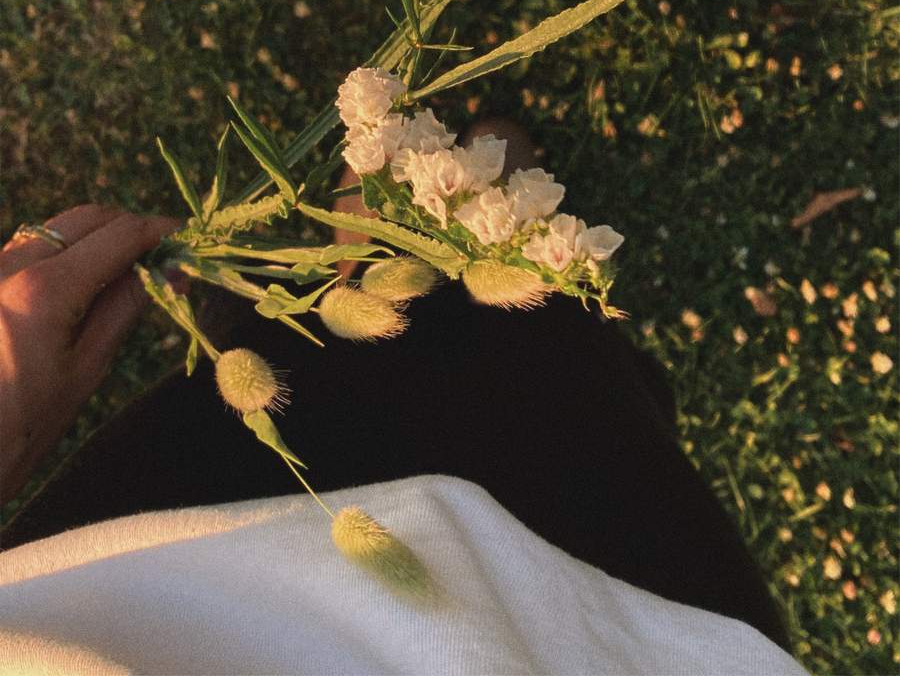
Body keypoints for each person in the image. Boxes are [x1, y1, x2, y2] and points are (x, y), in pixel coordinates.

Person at [0, 179, 808, 675]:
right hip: (607, 634)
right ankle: (458, 203)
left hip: (138, 572)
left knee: (280, 368)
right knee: (539, 382)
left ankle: (378, 234)